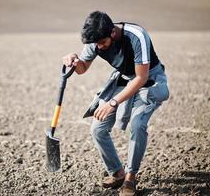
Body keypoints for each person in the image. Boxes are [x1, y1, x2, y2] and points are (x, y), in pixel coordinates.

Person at [62, 11, 169, 196]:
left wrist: (112, 102)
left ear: (112, 33)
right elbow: (82, 69)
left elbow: (141, 77)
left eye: (102, 43)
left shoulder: (136, 36)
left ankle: (130, 178)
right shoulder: (96, 39)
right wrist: (73, 60)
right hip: (124, 79)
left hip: (149, 79)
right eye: (95, 44)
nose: (99, 47)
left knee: (138, 124)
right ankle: (117, 173)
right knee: (97, 129)